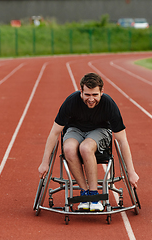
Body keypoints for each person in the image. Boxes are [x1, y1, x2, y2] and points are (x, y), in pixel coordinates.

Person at [38, 72, 139, 212]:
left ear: (101, 92)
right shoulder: (71, 102)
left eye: (95, 95)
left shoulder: (109, 104)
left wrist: (131, 171)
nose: (91, 99)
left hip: (100, 130)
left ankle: (94, 195)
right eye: (87, 95)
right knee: (68, 148)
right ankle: (85, 193)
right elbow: (54, 133)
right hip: (75, 130)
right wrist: (44, 163)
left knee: (85, 148)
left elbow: (122, 140)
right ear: (81, 92)